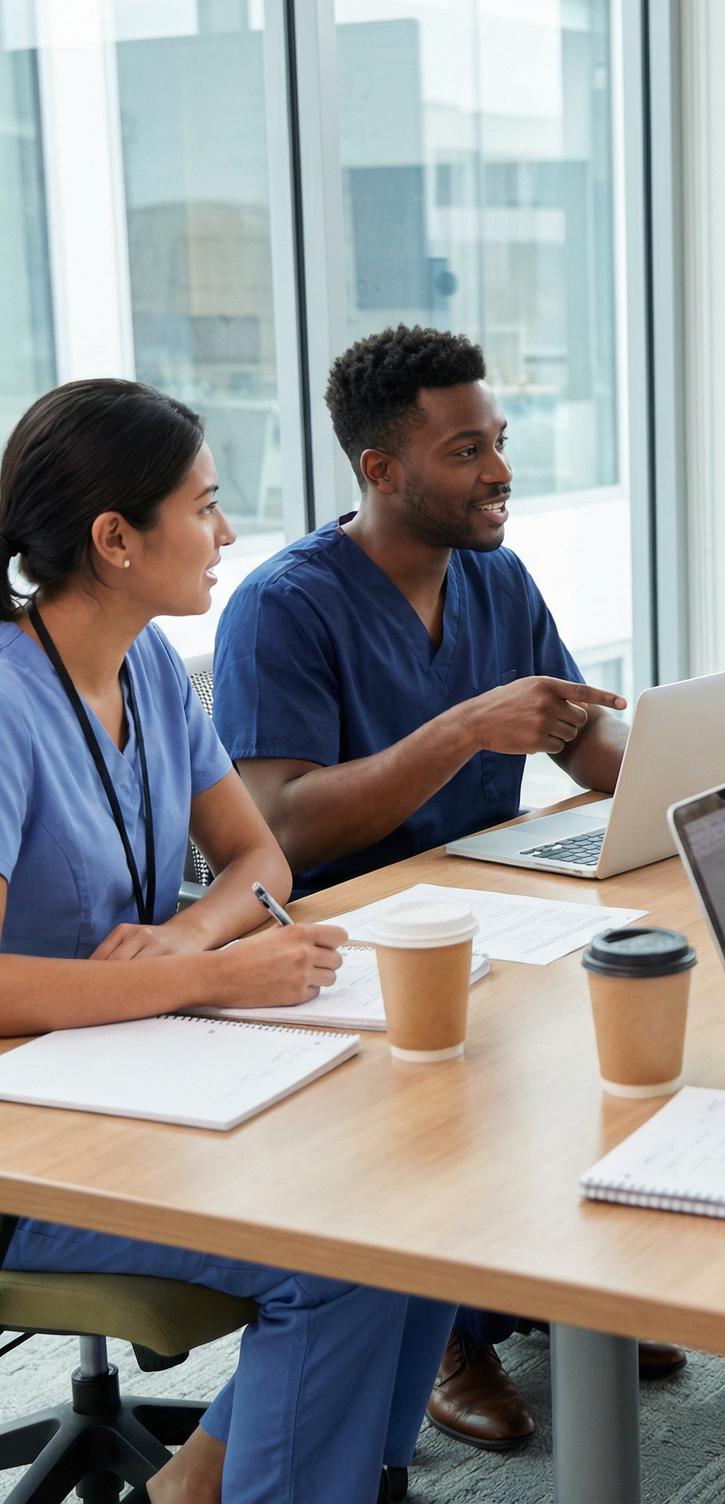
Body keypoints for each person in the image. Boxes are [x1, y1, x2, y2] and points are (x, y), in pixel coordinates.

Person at [211, 324, 681, 1452]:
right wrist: (464, 727)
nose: (502, 471)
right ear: (381, 470)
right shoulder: (284, 605)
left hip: (497, 907)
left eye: (500, 441)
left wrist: (698, 775)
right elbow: (278, 822)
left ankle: (557, 1287)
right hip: (346, 943)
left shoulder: (497, 577)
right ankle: (442, 1318)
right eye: (467, 450)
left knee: (634, 1009)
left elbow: (583, 748)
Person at [0, 379, 454, 1504]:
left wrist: (186, 940)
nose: (228, 531)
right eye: (204, 505)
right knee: (340, 1263)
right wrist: (205, 975)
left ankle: (254, 1478)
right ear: (115, 539)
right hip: (24, 1149)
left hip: (133, 1077)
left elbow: (260, 862)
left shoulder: (150, 662)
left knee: (416, 1193)